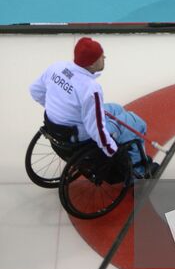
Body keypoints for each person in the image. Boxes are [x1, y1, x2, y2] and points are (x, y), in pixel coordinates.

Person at [29, 37, 156, 177]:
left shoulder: (56, 67)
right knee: (136, 123)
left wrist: (59, 109)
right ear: (91, 64)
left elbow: (35, 91)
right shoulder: (90, 88)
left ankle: (125, 141)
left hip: (57, 126)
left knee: (116, 109)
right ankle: (139, 172)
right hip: (79, 134)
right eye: (101, 56)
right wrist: (112, 151)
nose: (104, 57)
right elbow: (95, 128)